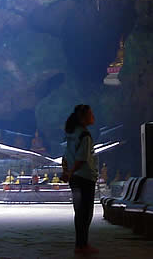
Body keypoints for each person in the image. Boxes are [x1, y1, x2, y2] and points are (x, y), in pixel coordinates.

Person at [62, 104, 99, 255]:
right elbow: (82, 158)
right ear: (84, 118)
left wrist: (67, 172)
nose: (93, 117)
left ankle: (80, 244)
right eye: (90, 114)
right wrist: (71, 171)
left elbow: (65, 156)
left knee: (79, 212)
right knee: (86, 213)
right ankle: (83, 245)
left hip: (74, 179)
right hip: (85, 177)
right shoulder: (85, 135)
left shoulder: (72, 134)